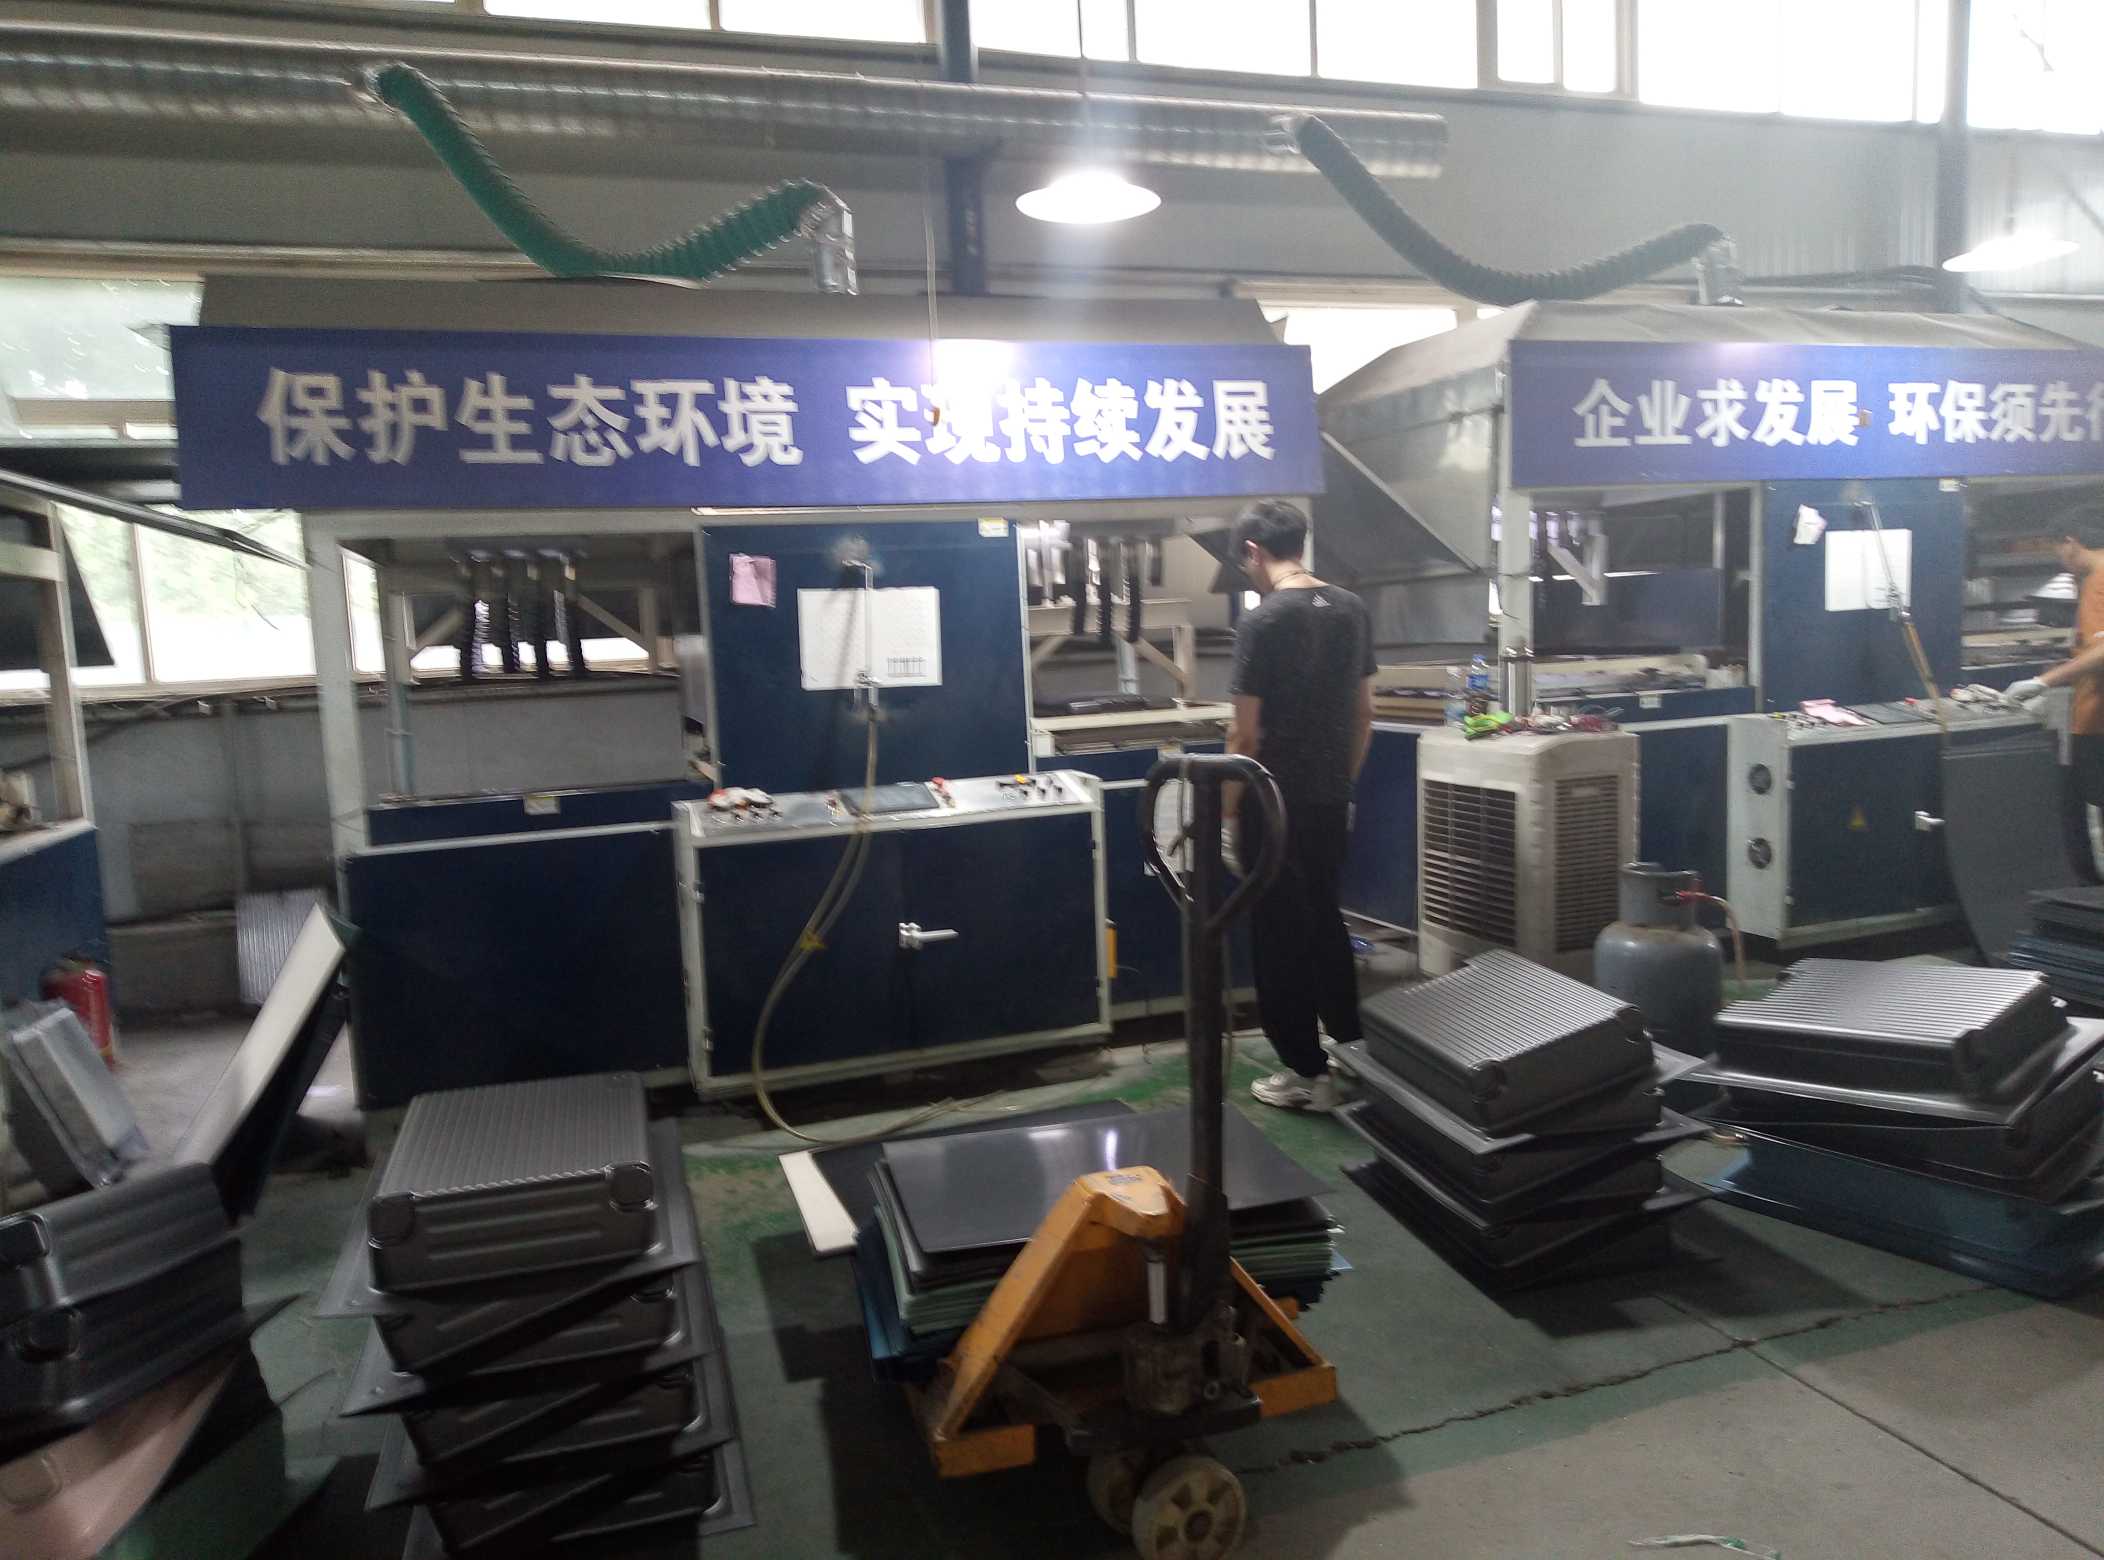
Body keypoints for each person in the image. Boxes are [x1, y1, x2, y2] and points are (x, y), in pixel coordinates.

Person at [1225, 500, 1376, 1112]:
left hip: (1270, 803)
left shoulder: (1261, 622)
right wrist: (1341, 785)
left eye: (1244, 563)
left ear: (1254, 550)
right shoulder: (1352, 609)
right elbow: (1365, 714)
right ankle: (1352, 1055)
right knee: (1325, 919)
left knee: (1278, 934)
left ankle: (1305, 1072)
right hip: (1329, 800)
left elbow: (1243, 736)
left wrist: (1228, 814)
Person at [2008, 526, 2104, 880]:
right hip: (2092, 718)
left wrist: (2043, 682)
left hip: (2098, 725)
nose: (2060, 560)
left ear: (2071, 541)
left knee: (2095, 828)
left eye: (2057, 550)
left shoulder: (2099, 581)